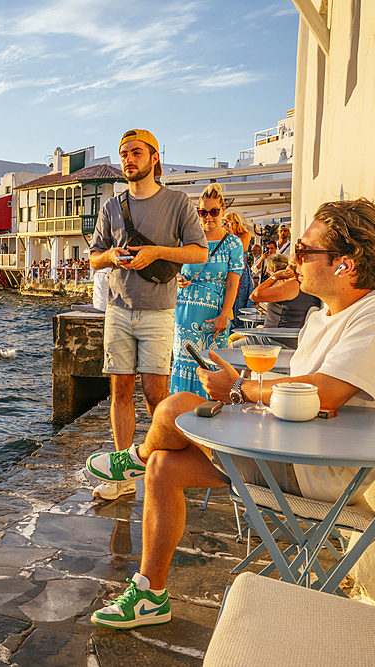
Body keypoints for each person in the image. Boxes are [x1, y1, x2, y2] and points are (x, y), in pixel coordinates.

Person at [86, 198, 375, 628]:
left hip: (314, 470)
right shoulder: (329, 315)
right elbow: (306, 393)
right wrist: (247, 394)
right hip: (291, 448)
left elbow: (326, 395)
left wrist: (241, 390)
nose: (291, 260)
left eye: (304, 252)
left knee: (176, 409)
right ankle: (151, 595)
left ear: (345, 264)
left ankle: (133, 460)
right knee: (165, 468)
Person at [87, 128, 209, 501]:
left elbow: (198, 253)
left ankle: (164, 469)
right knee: (119, 390)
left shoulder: (178, 203)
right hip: (118, 309)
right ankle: (123, 475)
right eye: (123, 153)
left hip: (158, 310)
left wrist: (156, 252)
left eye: (136, 152)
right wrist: (113, 256)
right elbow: (94, 257)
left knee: (156, 393)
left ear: (155, 158)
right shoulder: (112, 207)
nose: (128, 159)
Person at [170, 183, 245, 397]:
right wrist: (177, 278)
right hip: (184, 313)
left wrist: (224, 315)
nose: (208, 217)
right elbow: (175, 270)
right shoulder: (188, 240)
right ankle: (182, 418)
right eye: (203, 212)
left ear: (223, 211)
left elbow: (233, 284)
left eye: (213, 212)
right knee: (184, 365)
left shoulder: (233, 244)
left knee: (212, 366)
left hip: (214, 316)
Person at [245, 253, 321, 349]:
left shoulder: (293, 286)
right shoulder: (311, 286)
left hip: (274, 341)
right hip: (289, 341)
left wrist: (274, 277)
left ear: (288, 268)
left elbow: (254, 296)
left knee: (231, 342)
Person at [223, 211, 254, 329]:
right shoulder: (223, 236)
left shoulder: (245, 235)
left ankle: (239, 328)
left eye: (230, 223)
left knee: (240, 300)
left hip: (241, 273)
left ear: (237, 223)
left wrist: (230, 235)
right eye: (225, 222)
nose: (228, 225)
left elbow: (241, 249)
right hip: (227, 272)